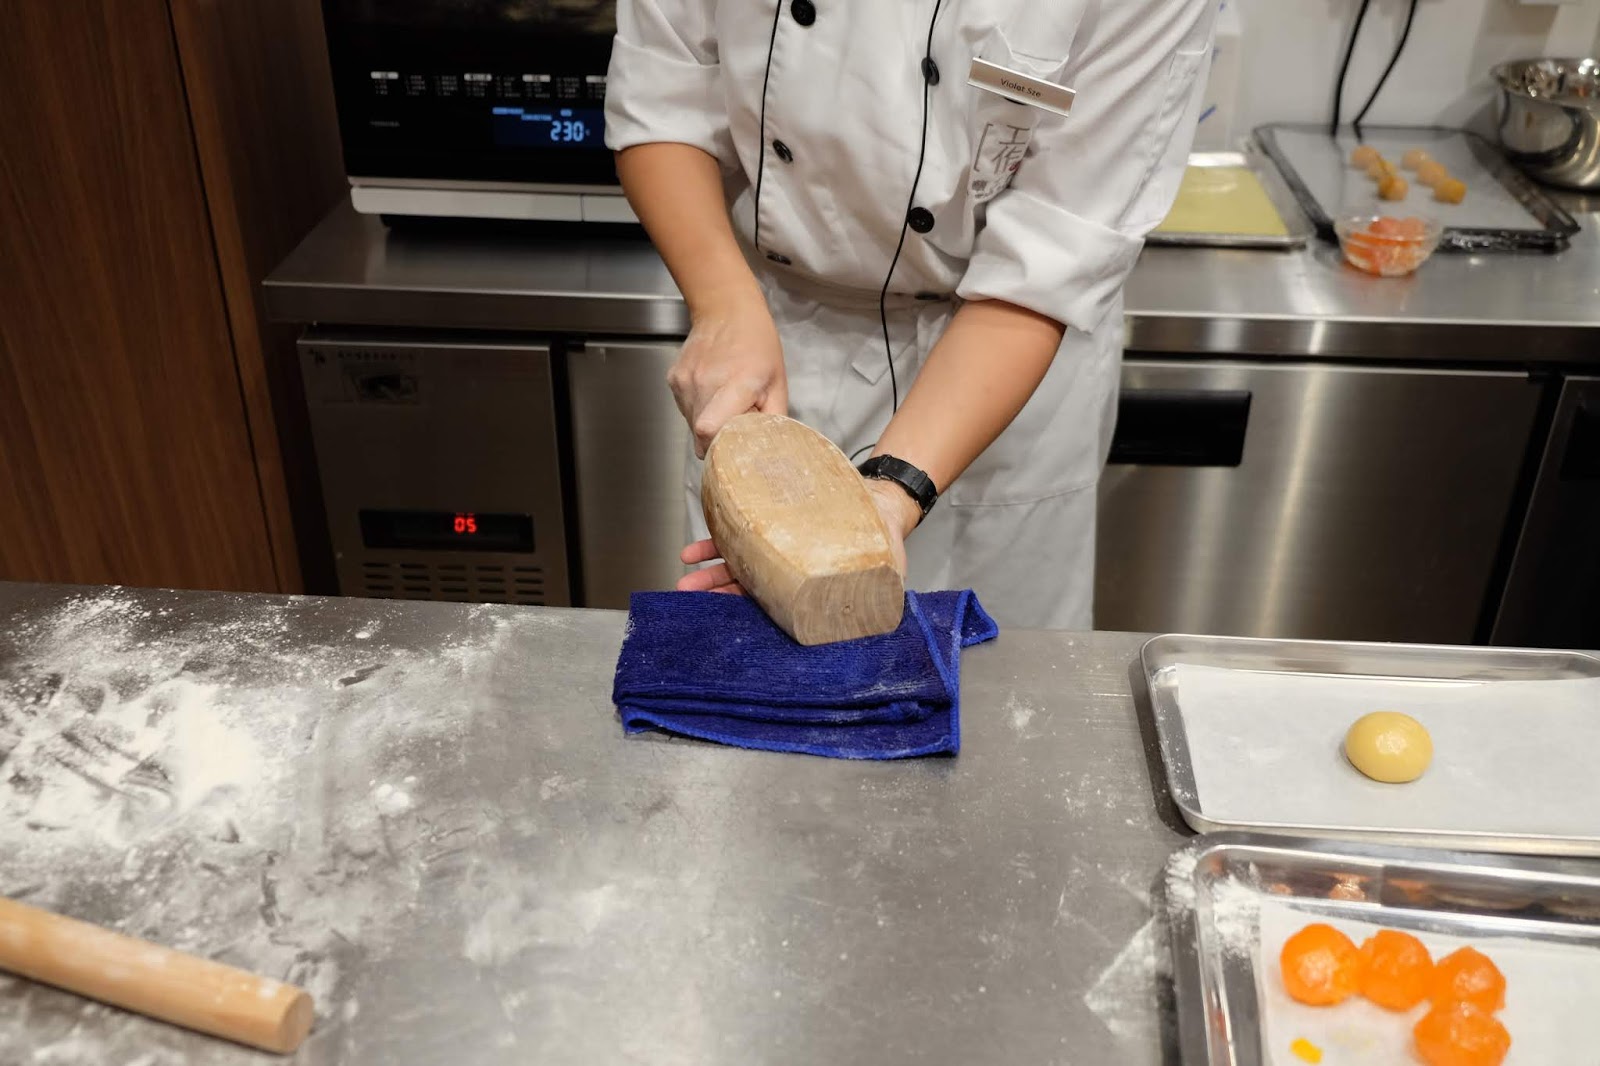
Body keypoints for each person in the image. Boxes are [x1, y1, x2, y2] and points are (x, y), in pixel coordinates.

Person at [604, 0, 1215, 629]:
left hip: (1004, 373)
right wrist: (724, 306)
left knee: (994, 676)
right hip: (776, 335)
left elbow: (1054, 244)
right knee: (749, 669)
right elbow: (663, 94)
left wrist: (892, 491)